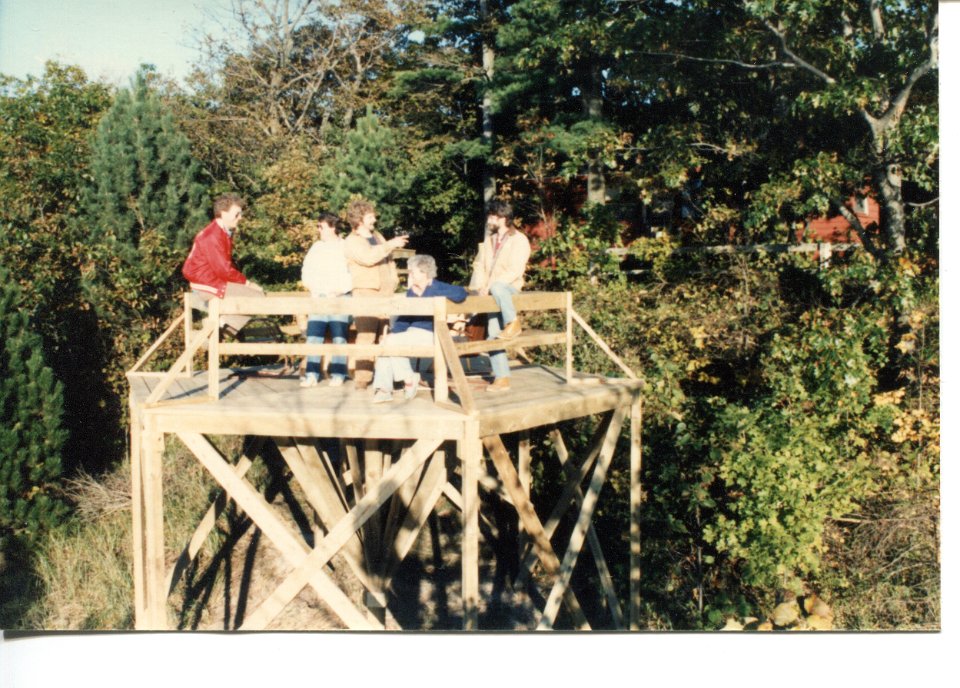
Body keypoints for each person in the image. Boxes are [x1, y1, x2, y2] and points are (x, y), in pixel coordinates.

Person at [371, 254, 467, 403]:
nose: (410, 275)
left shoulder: (437, 287)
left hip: (431, 333)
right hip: (411, 333)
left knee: (391, 343)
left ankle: (405, 381)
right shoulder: (412, 291)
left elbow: (461, 293)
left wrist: (432, 293)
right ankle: (386, 388)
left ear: (424, 272)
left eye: (413, 272)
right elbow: (405, 318)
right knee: (387, 342)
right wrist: (393, 333)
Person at [342, 199, 408, 389]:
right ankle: (362, 380)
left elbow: (388, 260)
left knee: (385, 336)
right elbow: (369, 257)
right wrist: (392, 244)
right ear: (360, 219)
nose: (374, 219)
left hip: (385, 294)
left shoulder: (377, 235)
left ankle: (386, 378)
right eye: (370, 216)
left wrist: (394, 279)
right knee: (367, 335)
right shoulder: (352, 241)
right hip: (366, 293)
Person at [182, 193, 265, 337]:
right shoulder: (213, 235)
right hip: (206, 283)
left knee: (253, 298)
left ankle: (219, 329)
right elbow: (224, 270)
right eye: (237, 214)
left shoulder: (222, 232)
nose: (240, 217)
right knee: (257, 298)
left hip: (211, 280)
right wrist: (247, 283)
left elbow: (225, 266)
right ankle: (217, 324)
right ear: (223, 213)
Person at [470, 199, 531, 392]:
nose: (489, 220)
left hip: (509, 289)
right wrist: (480, 286)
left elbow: (515, 269)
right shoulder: (489, 240)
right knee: (494, 333)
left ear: (502, 218)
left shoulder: (519, 240)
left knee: (498, 286)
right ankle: (502, 377)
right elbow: (479, 265)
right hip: (491, 292)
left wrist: (491, 285)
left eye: (492, 216)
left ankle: (513, 322)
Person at [300, 212, 352, 387]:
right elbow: (306, 271)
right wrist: (314, 289)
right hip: (319, 298)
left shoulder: (345, 246)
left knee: (339, 337)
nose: (318, 230)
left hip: (340, 298)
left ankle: (339, 373)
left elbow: (353, 274)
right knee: (314, 337)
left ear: (332, 227)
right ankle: (312, 374)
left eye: (321, 226)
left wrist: (341, 290)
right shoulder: (316, 247)